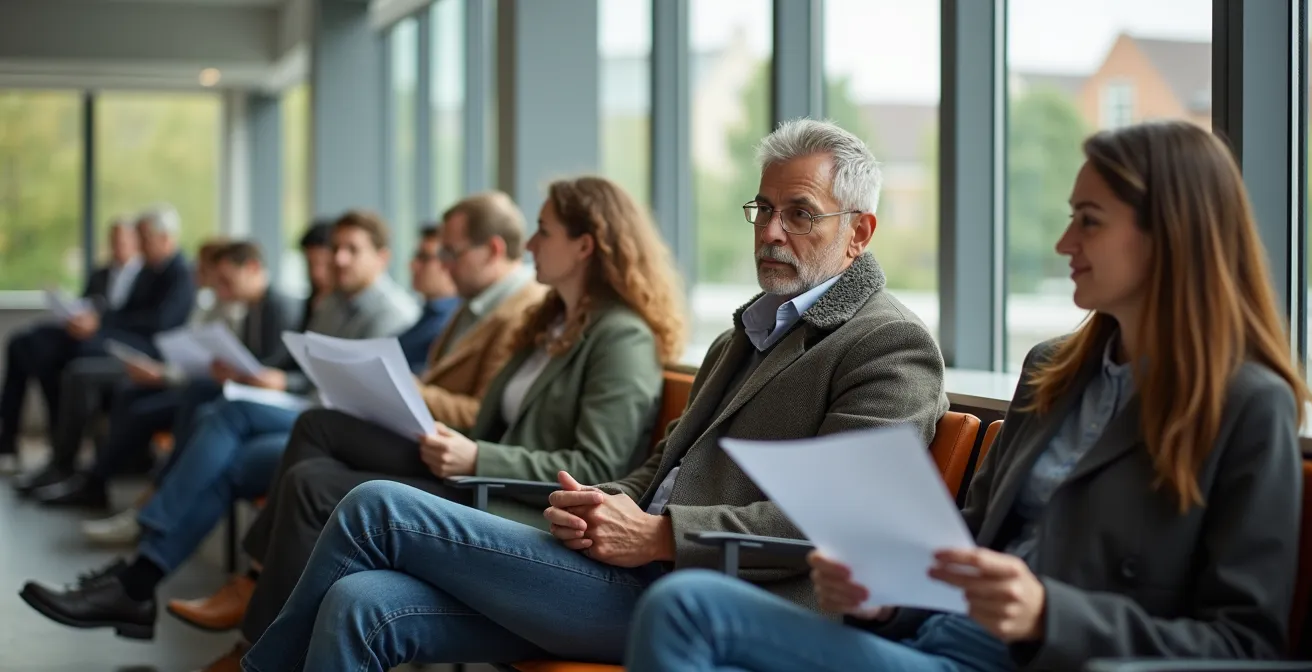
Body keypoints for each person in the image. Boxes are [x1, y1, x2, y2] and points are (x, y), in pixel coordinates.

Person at [240, 119, 949, 671]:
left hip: (718, 595)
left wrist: (662, 535)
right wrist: (601, 500)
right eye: (763, 208)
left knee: (374, 505)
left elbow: (839, 526)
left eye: (800, 213)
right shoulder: (745, 334)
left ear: (859, 232)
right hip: (627, 564)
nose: (770, 230)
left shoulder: (887, 344)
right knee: (358, 602)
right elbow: (663, 469)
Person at [624, 120, 1309, 671]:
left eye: (1090, 220)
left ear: (1171, 236)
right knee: (686, 609)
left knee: (687, 610)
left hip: (1039, 658)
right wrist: (882, 598)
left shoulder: (1249, 405)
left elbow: (1242, 645)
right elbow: (966, 545)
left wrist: (1049, 615)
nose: (1065, 241)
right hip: (932, 643)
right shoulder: (1053, 372)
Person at [187, 179, 685, 670]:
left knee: (341, 497)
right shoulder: (549, 323)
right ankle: (256, 616)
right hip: (483, 478)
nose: (529, 244)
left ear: (583, 246)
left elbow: (599, 466)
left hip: (511, 499)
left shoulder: (621, 339)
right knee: (319, 450)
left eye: (542, 231)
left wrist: (477, 457)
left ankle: (256, 650)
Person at [17, 210, 418, 641]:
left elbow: (354, 392)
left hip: (339, 428)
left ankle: (140, 554)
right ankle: (137, 583)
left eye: (351, 250)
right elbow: (314, 370)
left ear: (382, 257)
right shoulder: (335, 302)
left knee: (227, 414)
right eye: (336, 248)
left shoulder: (391, 313)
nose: (338, 259)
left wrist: (283, 381)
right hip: (312, 414)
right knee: (228, 453)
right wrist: (281, 379)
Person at [171, 191, 548, 645]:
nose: (443, 264)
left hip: (462, 460)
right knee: (310, 431)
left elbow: (482, 414)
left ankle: (253, 622)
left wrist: (402, 386)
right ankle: (251, 588)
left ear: (490, 250)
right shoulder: (470, 306)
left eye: (451, 252)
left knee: (299, 471)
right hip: (433, 440)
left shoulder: (517, 310)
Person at [79, 222, 337, 545]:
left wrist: (263, 378)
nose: (222, 290)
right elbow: (281, 364)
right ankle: (150, 512)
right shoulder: (269, 307)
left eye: (226, 281)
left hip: (293, 404)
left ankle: (152, 513)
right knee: (184, 402)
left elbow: (286, 370)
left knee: (209, 414)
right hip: (275, 396)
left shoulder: (284, 306)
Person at [34, 241, 304, 508]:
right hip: (217, 384)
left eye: (225, 280)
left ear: (252, 269)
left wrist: (233, 374)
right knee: (135, 393)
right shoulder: (244, 307)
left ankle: (156, 494)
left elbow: (271, 369)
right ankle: (111, 482)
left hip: (237, 393)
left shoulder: (274, 307)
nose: (220, 288)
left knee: (193, 403)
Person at [9, 205, 196, 491]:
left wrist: (103, 322)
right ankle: (59, 461)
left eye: (144, 239)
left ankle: (67, 465)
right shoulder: (148, 270)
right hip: (124, 343)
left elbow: (160, 322)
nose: (139, 246)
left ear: (165, 238)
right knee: (40, 349)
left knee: (78, 368)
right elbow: (124, 312)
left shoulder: (181, 273)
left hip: (149, 355)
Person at [0, 215, 142, 473]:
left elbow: (138, 319)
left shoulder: (146, 276)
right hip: (80, 333)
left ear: (136, 242)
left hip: (107, 342)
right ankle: (8, 441)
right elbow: (85, 304)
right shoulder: (101, 273)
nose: (116, 246)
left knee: (49, 360)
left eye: (122, 240)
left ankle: (60, 451)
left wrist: (98, 323)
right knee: (21, 344)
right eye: (112, 240)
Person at [397, 223, 461, 374]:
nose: (413, 265)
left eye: (424, 258)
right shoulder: (428, 314)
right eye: (416, 257)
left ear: (449, 263)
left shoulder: (451, 324)